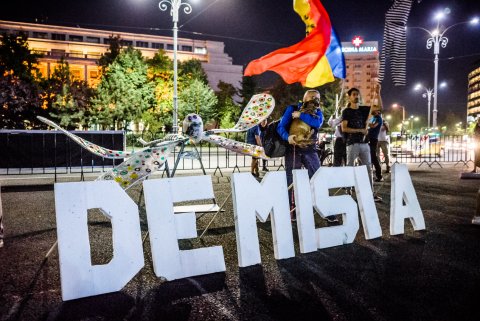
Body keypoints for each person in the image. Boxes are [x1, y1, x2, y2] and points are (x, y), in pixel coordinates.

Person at [277, 89, 324, 219]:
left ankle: (324, 207)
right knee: (291, 180)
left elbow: (318, 123)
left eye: (317, 98)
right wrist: (287, 137)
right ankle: (290, 210)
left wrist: (300, 116)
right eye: (312, 97)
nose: (315, 99)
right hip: (293, 149)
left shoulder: (318, 112)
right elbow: (280, 126)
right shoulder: (291, 108)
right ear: (304, 98)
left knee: (317, 177)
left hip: (310, 149)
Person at [341, 88, 382, 202]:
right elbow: (344, 128)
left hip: (364, 144)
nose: (356, 96)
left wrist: (378, 93)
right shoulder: (346, 111)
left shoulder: (364, 110)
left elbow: (377, 107)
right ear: (349, 97)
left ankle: (370, 193)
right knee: (350, 167)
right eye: (354, 94)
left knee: (368, 168)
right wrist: (360, 130)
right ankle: (348, 192)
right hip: (352, 143)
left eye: (357, 94)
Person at [367, 109, 383, 182]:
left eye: (375, 109)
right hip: (368, 137)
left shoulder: (379, 118)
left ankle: (379, 176)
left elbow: (373, 126)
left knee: (373, 156)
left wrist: (366, 123)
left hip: (373, 138)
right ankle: (371, 174)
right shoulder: (373, 117)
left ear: (378, 111)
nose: (372, 110)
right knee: (368, 156)